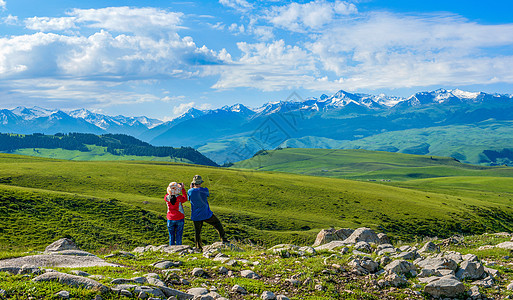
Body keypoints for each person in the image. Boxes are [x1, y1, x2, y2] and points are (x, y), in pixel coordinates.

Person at [187, 175, 227, 250]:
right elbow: (207, 195)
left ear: (193, 183)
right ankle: (224, 239)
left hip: (196, 215)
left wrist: (191, 188)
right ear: (200, 183)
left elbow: (189, 198)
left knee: (197, 232)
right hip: (206, 214)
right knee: (217, 223)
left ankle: (198, 247)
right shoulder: (205, 190)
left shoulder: (190, 191)